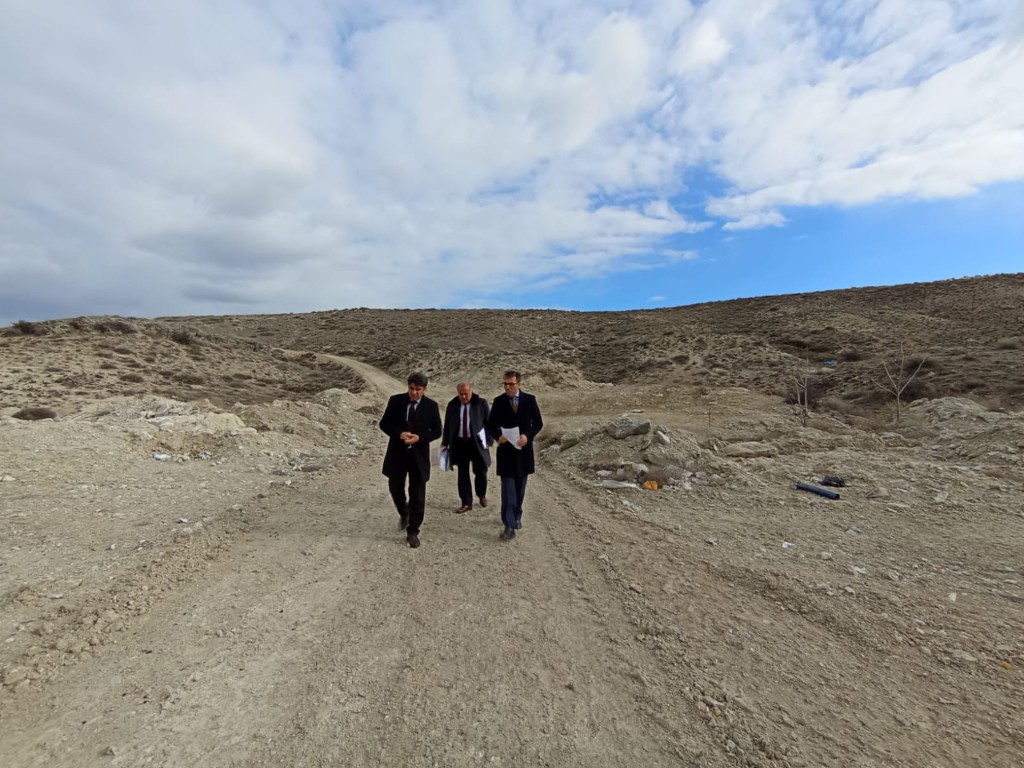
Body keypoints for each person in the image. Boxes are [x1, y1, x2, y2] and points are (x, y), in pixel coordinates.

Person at [379, 372, 442, 548]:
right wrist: (399, 433)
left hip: (419, 456)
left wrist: (420, 438)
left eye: (418, 389)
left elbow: (437, 431)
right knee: (395, 488)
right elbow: (384, 424)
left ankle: (413, 531)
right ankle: (403, 512)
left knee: (418, 495)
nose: (414, 392)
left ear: (424, 389)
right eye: (411, 388)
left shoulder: (431, 406)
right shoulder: (396, 401)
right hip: (397, 454)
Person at [487, 370, 543, 541]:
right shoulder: (499, 401)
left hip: (523, 452)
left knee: (520, 488)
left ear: (519, 384)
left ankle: (517, 515)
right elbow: (491, 425)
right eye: (505, 384)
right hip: (506, 452)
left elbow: (538, 423)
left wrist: (527, 436)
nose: (507, 387)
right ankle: (509, 525)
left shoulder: (530, 400)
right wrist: (498, 436)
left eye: (511, 384)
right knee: (508, 490)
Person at [440, 381, 492, 513]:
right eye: (460, 394)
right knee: (462, 473)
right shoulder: (452, 405)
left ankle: (481, 495)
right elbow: (447, 424)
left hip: (477, 443)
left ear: (471, 391)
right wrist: (445, 442)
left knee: (481, 471)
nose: (463, 397)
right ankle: (466, 502)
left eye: (466, 394)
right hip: (459, 443)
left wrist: (489, 441)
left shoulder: (481, 403)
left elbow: (489, 423)